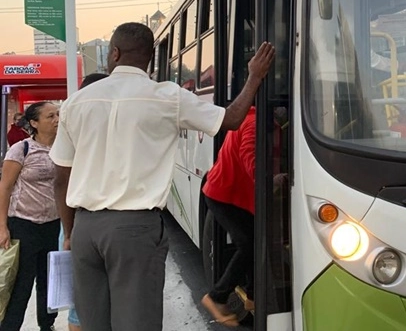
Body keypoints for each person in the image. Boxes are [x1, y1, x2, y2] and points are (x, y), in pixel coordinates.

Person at [50, 22, 275, 331]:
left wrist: (70, 231)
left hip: (85, 228)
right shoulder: (166, 97)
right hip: (134, 231)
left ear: (114, 53)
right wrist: (254, 76)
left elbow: (61, 177)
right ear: (152, 57)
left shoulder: (77, 101)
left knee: (93, 324)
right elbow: (233, 118)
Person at [0, 101, 61, 331]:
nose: (57, 120)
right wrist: (2, 226)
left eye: (58, 115)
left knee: (50, 282)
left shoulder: (64, 149)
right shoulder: (21, 149)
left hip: (53, 225)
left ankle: (48, 325)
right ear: (34, 123)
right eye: (50, 116)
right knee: (20, 284)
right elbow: (5, 187)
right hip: (23, 225)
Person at [57, 72, 109, 331]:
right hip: (91, 220)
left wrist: (68, 233)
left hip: (79, 220)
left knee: (82, 301)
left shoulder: (75, 121)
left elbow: (61, 180)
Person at [200, 107, 257, 326]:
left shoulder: (253, 118)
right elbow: (249, 155)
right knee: (248, 243)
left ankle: (252, 296)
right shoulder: (254, 122)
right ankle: (216, 296)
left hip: (233, 194)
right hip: (223, 195)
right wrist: (269, 182)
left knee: (254, 238)